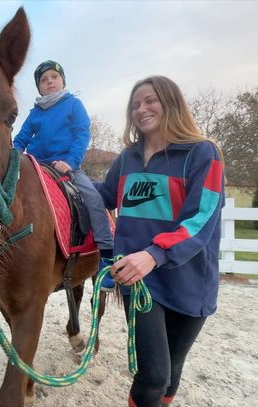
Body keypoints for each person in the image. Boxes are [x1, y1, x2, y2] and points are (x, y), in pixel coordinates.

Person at [95, 76, 225, 407]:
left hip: (190, 280)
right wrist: (66, 179)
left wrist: (154, 254)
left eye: (150, 100)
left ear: (171, 102)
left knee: (172, 370)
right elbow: (105, 196)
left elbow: (201, 218)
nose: (141, 109)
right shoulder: (126, 159)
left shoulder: (202, 154)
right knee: (153, 374)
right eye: (135, 104)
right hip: (139, 278)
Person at [13, 60, 115, 291]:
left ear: (62, 81)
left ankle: (106, 255)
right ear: (38, 87)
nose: (49, 82)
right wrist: (13, 157)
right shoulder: (35, 113)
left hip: (65, 165)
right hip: (36, 166)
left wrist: (70, 162)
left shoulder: (73, 104)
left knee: (92, 198)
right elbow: (21, 139)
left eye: (53, 77)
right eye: (43, 80)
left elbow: (81, 133)